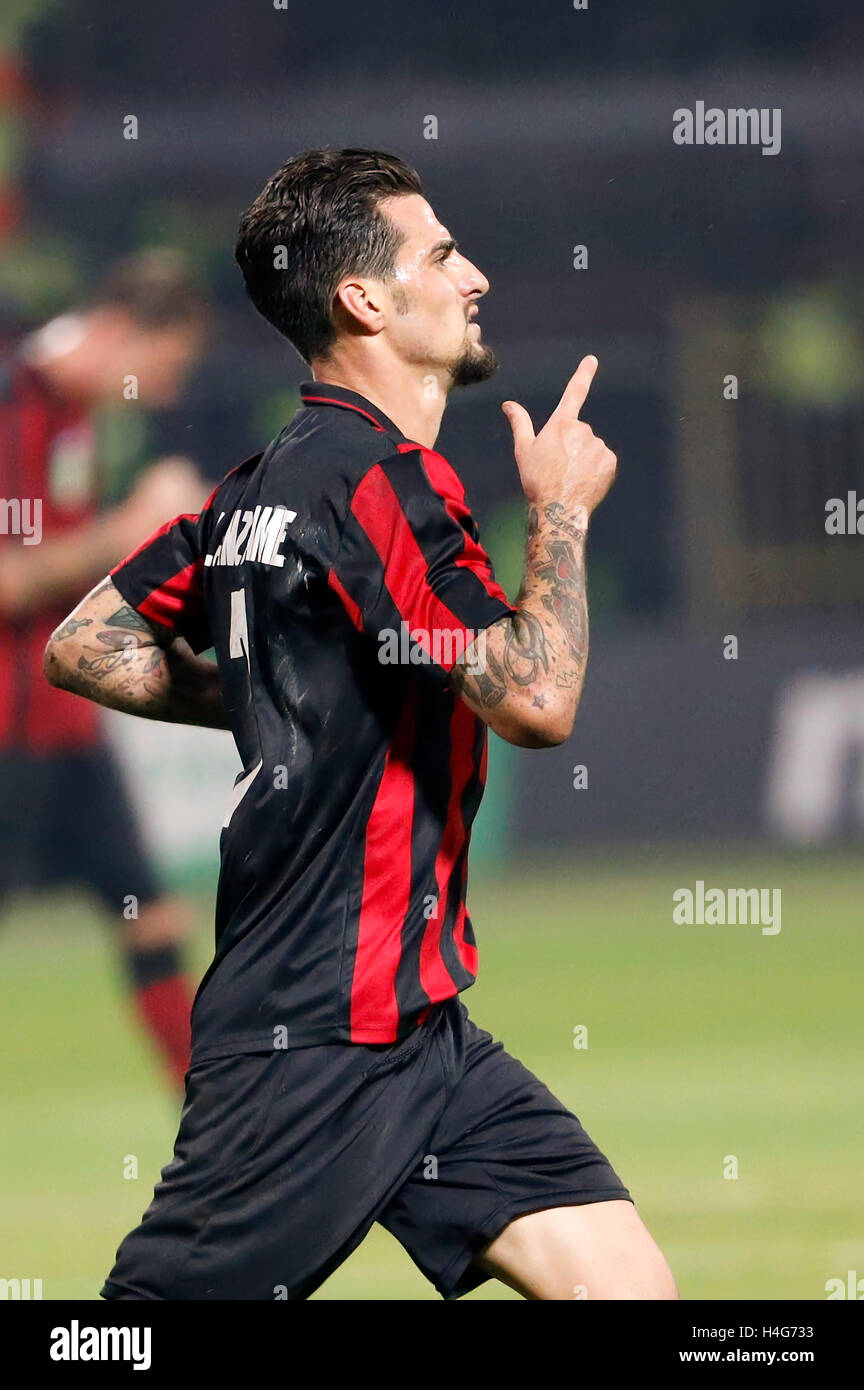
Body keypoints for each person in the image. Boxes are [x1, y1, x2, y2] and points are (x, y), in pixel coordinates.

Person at [45, 150, 677, 1300]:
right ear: (365, 300)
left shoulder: (258, 488)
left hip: (422, 1031)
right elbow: (537, 699)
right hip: (315, 1036)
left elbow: (87, 640)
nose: (474, 274)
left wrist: (279, 683)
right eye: (441, 253)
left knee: (624, 1288)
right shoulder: (386, 485)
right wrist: (560, 514)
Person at [0, 250, 208, 1090]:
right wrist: (133, 525)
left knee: (150, 915)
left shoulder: (81, 417)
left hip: (63, 723)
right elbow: (10, 577)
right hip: (7, 731)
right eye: (167, 366)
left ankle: (227, 1146)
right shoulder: (14, 405)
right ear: (123, 329)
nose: (165, 391)